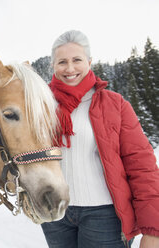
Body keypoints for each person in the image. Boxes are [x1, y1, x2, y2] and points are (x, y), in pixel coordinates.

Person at [41, 30, 159, 248]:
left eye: (77, 60)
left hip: (105, 215)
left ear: (89, 61)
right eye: (62, 62)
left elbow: (142, 165)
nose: (69, 68)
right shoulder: (41, 107)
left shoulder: (115, 104)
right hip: (56, 213)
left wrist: (154, 230)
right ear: (53, 66)